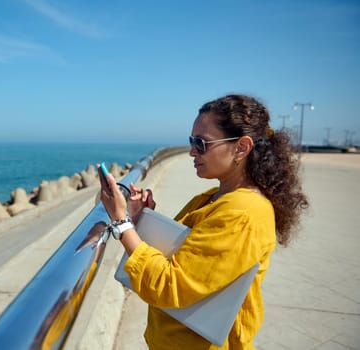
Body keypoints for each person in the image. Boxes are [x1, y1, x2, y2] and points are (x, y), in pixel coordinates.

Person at [98, 94, 309, 350]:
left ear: (241, 147)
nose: (191, 152)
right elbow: (182, 255)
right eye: (191, 141)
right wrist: (142, 218)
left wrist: (121, 223)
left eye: (201, 143)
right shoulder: (215, 197)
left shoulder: (243, 213)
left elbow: (170, 285)